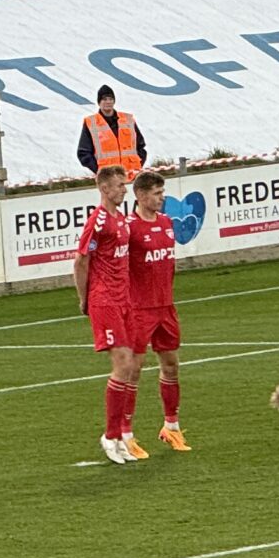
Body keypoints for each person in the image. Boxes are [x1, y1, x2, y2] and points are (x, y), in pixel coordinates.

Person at [73, 165, 141, 466]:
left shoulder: (122, 220)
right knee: (122, 363)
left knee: (131, 365)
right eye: (119, 185)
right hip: (105, 300)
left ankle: (119, 436)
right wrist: (85, 299)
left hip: (124, 300)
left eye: (124, 185)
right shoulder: (98, 221)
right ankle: (111, 436)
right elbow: (81, 261)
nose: (124, 190)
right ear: (104, 188)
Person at [127, 170, 190, 454]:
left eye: (162, 192)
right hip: (139, 309)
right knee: (133, 370)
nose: (162, 198)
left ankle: (171, 427)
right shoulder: (129, 228)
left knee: (171, 365)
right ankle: (126, 434)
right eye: (156, 193)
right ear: (141, 195)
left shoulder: (166, 222)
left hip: (166, 307)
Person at [77, 86, 147, 178]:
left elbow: (140, 146)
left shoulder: (128, 120)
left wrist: (138, 165)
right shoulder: (91, 123)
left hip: (132, 175)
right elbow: (83, 153)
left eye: (111, 99)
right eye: (104, 99)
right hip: (108, 179)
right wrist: (98, 170)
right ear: (99, 102)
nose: (108, 102)